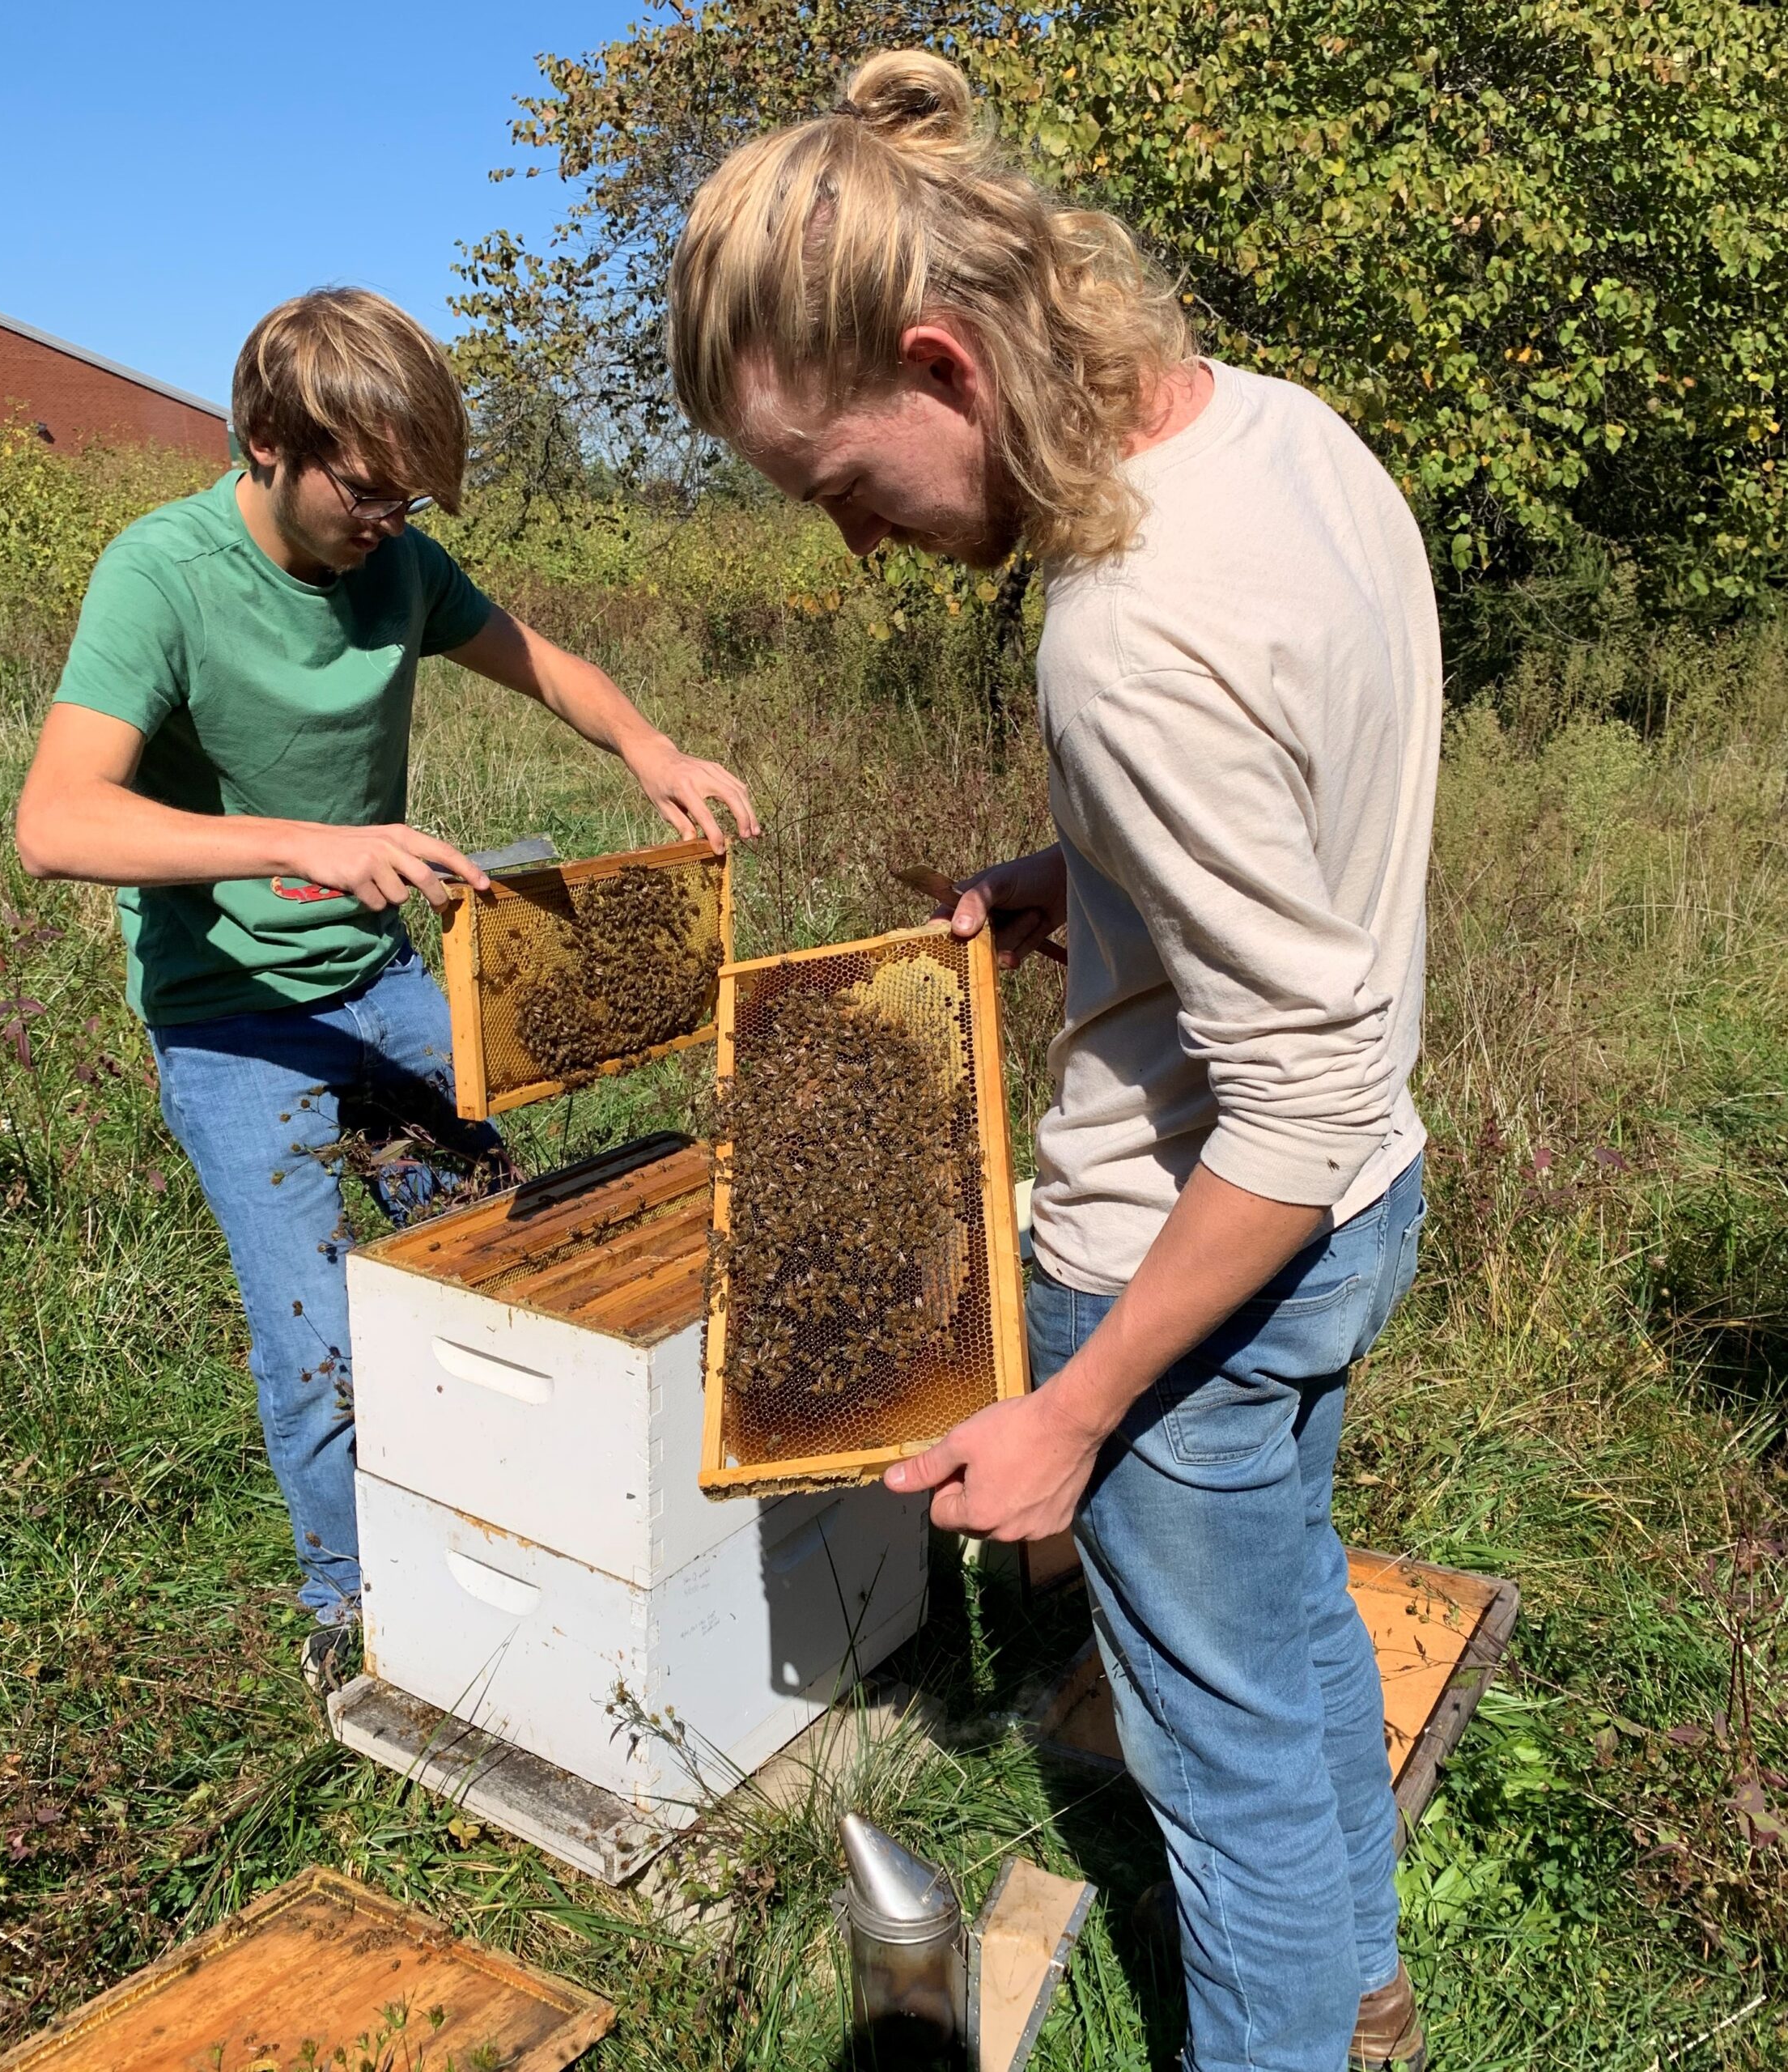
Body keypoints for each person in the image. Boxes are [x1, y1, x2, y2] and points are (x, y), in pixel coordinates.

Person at [668, 51, 1438, 2072]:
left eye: (843, 488)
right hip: (1357, 1224)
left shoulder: (1120, 636)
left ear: (944, 365)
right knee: (1293, 1641)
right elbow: (1315, 824)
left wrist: (1073, 1409)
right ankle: (1367, 1999)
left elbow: (1295, 1088)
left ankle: (1290, 2023)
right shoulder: (1284, 436)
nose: (856, 544)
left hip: (1196, 1250)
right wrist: (1078, 870)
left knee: (1223, 1770)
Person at [16, 287, 758, 1690]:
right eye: (366, 491)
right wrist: (304, 840)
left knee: (498, 1263)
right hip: (231, 1021)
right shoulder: (158, 575)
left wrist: (646, 747)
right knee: (317, 1340)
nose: (387, 522)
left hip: (385, 981)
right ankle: (355, 1618)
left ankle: (513, 1544)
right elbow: (55, 822)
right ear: (263, 442)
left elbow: (539, 662)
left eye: (411, 498)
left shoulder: (400, 568)